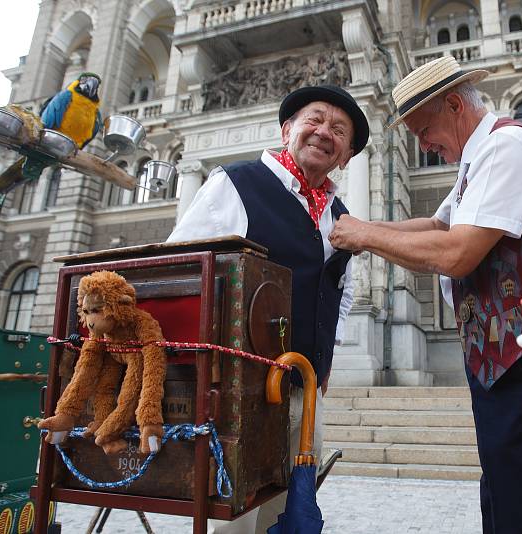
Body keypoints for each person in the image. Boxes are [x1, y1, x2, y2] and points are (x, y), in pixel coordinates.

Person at [329, 56, 522, 533]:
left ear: (456, 105)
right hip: (497, 353)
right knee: (501, 480)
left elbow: (457, 252)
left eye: (423, 130)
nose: (423, 145)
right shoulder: (476, 160)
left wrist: (364, 236)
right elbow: (438, 224)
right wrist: (355, 228)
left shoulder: (508, 147)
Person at [167, 84, 369, 534]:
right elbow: (181, 271)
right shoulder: (235, 184)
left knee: (286, 508)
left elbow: (343, 289)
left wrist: (323, 350)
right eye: (313, 120)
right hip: (241, 390)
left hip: (303, 389)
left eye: (338, 130)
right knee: (236, 516)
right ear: (287, 129)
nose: (323, 132)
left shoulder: (339, 213)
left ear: (347, 155)